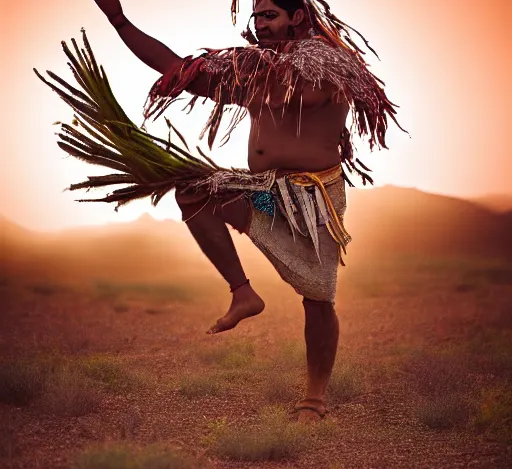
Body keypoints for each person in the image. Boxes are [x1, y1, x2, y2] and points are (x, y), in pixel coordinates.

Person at [92, 0, 405, 421]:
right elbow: (172, 65)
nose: (259, 25)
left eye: (269, 15)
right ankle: (243, 292)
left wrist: (251, 71)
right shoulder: (255, 70)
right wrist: (118, 19)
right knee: (196, 193)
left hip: (312, 202)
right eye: (255, 17)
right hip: (265, 195)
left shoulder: (326, 63)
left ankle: (314, 399)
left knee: (318, 299)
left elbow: (304, 91)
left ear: (296, 17)